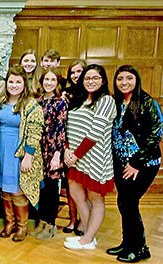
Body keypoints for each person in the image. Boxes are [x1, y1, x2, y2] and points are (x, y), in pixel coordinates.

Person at [107, 65, 161, 262]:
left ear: (136, 80)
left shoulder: (147, 103)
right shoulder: (117, 101)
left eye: (129, 78)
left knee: (129, 203)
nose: (124, 82)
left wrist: (136, 163)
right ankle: (128, 243)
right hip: (121, 162)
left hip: (143, 164)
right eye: (120, 79)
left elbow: (156, 134)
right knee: (124, 202)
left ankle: (140, 248)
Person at [63, 64, 116, 250]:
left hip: (94, 158)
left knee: (96, 198)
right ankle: (88, 235)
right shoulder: (79, 99)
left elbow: (95, 133)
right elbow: (69, 127)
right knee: (76, 192)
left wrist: (75, 155)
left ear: (103, 80)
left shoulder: (106, 101)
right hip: (75, 157)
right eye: (87, 78)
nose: (91, 81)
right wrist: (67, 150)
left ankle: (88, 239)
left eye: (95, 78)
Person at [0, 64, 43, 242]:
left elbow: (35, 132)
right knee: (5, 191)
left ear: (24, 84)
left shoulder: (31, 106)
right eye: (11, 81)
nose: (13, 85)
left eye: (18, 82)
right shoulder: (0, 102)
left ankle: (22, 227)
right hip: (1, 151)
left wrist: (28, 156)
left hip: (19, 154)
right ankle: (9, 223)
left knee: (18, 192)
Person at [30, 67, 67, 240]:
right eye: (47, 79)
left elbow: (61, 130)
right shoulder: (37, 100)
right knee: (41, 188)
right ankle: (42, 221)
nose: (49, 83)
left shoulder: (60, 102)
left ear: (58, 82)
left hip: (53, 151)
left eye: (53, 80)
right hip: (38, 150)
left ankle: (51, 224)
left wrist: (57, 155)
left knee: (52, 189)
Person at [61, 59, 87, 236]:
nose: (76, 75)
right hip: (68, 147)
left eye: (79, 71)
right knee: (71, 186)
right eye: (73, 72)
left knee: (85, 186)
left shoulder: (94, 94)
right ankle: (72, 218)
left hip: (87, 148)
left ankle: (84, 221)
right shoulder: (67, 94)